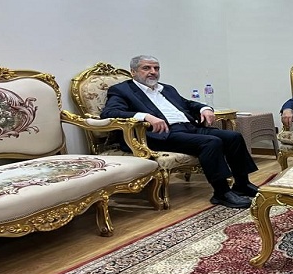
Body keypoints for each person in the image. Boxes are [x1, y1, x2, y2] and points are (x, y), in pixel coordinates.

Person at [101, 55, 258, 209]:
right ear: (133, 72)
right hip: (159, 134)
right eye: (146, 68)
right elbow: (109, 113)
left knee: (233, 137)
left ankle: (242, 184)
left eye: (156, 68)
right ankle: (221, 193)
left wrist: (204, 108)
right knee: (211, 142)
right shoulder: (122, 90)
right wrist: (145, 116)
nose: (153, 72)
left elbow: (186, 103)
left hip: (189, 128)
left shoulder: (167, 89)